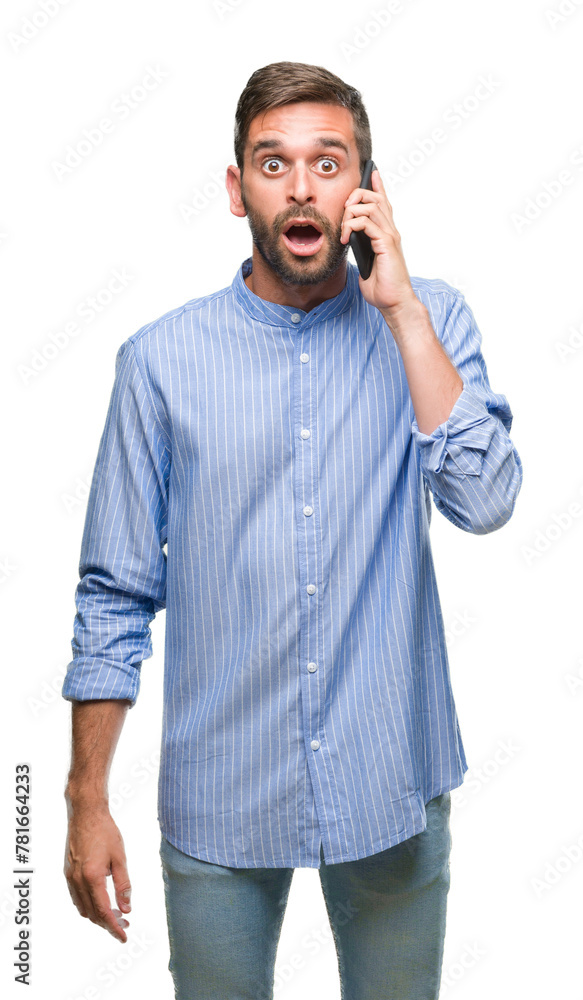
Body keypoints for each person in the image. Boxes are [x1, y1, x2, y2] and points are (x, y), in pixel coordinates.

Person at [62, 60, 523, 999]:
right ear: (237, 189)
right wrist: (82, 799)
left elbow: (486, 499)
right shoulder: (159, 363)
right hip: (219, 797)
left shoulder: (428, 323)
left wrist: (398, 308)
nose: (302, 186)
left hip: (389, 782)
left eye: (328, 162)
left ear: (365, 189)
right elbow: (113, 594)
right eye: (273, 165)